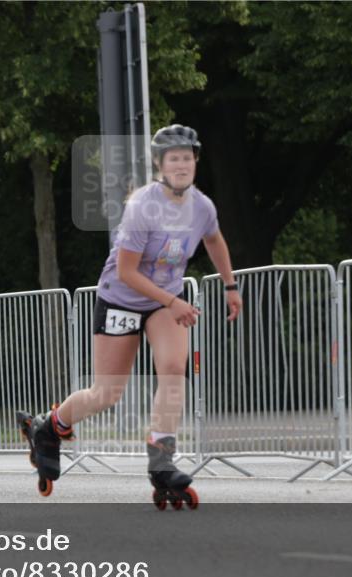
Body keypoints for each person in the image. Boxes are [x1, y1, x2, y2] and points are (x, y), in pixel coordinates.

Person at [19, 124, 242, 508]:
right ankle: (50, 426)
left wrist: (230, 285)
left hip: (162, 302)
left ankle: (162, 461)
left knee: (173, 367)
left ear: (196, 162)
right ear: (159, 164)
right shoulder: (142, 206)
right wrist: (173, 303)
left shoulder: (202, 207)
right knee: (106, 394)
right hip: (122, 298)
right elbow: (127, 272)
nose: (182, 165)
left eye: (188, 158)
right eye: (174, 158)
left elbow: (214, 238)